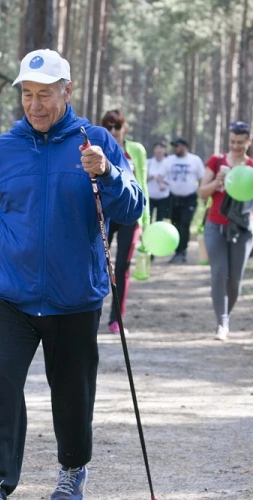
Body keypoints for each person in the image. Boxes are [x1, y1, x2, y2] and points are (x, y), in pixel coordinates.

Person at [0, 49, 144, 500]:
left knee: (72, 393)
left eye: (44, 94)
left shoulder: (95, 142)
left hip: (74, 295)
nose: (34, 105)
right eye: (27, 94)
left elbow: (132, 208)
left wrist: (108, 173)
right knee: (0, 388)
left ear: (68, 91)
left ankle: (74, 466)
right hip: (10, 296)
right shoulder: (1, 149)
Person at [197, 121, 253, 341]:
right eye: (232, 142)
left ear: (249, 142)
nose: (236, 146)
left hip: (243, 227)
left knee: (235, 278)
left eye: (240, 142)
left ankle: (225, 316)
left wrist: (240, 185)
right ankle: (222, 323)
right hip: (215, 224)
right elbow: (202, 193)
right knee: (219, 271)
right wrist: (218, 183)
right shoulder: (216, 161)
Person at [100, 109, 149, 335]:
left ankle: (116, 319)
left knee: (122, 268)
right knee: (98, 263)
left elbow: (142, 183)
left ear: (124, 128)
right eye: (108, 127)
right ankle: (91, 313)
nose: (113, 131)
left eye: (117, 127)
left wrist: (145, 221)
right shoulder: (97, 147)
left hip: (130, 214)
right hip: (105, 213)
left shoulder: (136, 150)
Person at [165, 137, 205, 263]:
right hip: (173, 197)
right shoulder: (169, 160)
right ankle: (177, 251)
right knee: (175, 224)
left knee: (184, 223)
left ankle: (183, 252)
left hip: (190, 198)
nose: (175, 148)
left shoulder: (195, 160)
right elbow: (163, 176)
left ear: (184, 146)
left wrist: (204, 195)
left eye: (177, 146)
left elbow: (202, 178)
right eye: (174, 146)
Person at [146, 142, 172, 222]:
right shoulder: (148, 162)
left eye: (161, 148)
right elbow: (142, 177)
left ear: (165, 150)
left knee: (160, 219)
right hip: (149, 195)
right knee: (148, 218)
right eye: (157, 148)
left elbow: (172, 180)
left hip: (163, 196)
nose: (159, 151)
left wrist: (162, 181)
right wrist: (150, 177)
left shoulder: (169, 163)